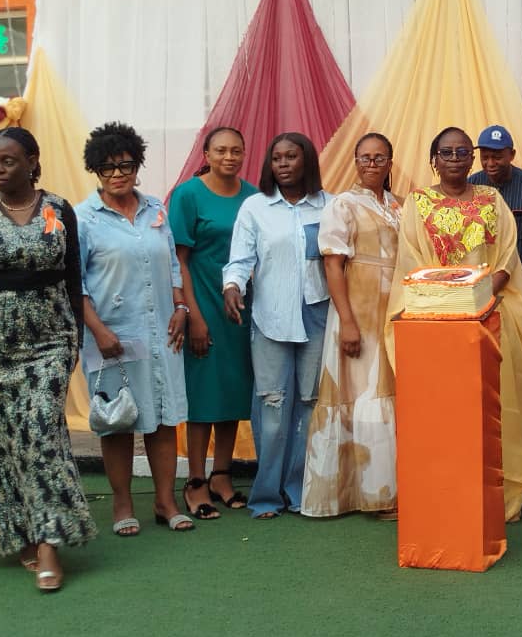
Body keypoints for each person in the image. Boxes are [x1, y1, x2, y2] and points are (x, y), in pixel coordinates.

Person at [0, 127, 96, 592]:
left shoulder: (59, 210)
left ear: (32, 161)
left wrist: (76, 335)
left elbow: (72, 273)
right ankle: (23, 529)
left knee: (42, 429)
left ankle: (49, 542)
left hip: (51, 339)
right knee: (9, 439)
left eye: (8, 161)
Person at [386, 126, 522, 522]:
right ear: (434, 159)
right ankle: (447, 494)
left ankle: (498, 497)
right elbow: (413, 260)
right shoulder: (418, 203)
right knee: (447, 410)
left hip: (490, 314)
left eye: (462, 152)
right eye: (446, 152)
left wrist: (479, 299)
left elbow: (507, 256)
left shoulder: (491, 198)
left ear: (472, 158)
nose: (454, 158)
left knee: (495, 406)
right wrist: (452, 303)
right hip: (438, 321)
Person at [77, 122, 193, 535]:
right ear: (96, 171)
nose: (118, 174)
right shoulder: (83, 218)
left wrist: (181, 306)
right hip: (111, 336)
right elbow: (75, 283)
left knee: (163, 417)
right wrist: (99, 331)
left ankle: (165, 501)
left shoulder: (155, 209)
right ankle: (122, 503)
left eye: (126, 165)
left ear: (137, 165)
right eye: (107, 168)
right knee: (118, 420)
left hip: (162, 332)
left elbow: (173, 263)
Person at [223, 132, 332, 519]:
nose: (283, 164)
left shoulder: (330, 205)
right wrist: (232, 287)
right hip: (270, 318)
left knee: (309, 406)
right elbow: (239, 260)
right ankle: (266, 496)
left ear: (307, 161)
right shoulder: (255, 208)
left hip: (317, 316)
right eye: (276, 158)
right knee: (272, 407)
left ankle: (299, 491)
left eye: (291, 156)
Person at [302, 132, 401, 519]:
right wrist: (346, 321)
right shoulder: (341, 204)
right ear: (356, 161)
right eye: (365, 158)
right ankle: (366, 495)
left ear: (390, 163)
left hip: (392, 311)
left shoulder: (399, 205)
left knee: (387, 392)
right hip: (357, 311)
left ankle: (388, 491)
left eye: (379, 158)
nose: (371, 164)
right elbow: (333, 264)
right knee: (362, 395)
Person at [168, 127, 258, 519]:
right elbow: (179, 261)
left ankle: (222, 475)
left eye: (236, 150)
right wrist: (193, 316)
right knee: (203, 394)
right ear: (206, 154)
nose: (229, 157)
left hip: (239, 307)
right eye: (220, 150)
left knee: (232, 391)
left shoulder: (253, 196)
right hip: (201, 301)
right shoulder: (188, 195)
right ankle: (195, 481)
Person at [467, 125, 522, 304]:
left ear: (512, 155)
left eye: (497, 157)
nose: (490, 163)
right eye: (485, 157)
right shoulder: (471, 186)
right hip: (480, 288)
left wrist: (521, 287)